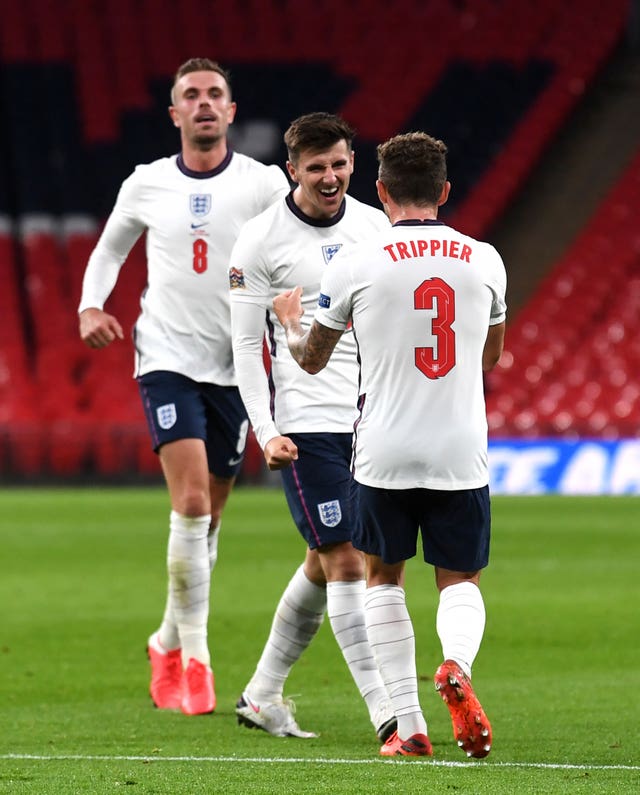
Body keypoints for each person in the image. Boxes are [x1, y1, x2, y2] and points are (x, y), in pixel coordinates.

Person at [272, 131, 506, 758]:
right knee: (461, 579)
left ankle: (408, 728)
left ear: (379, 191)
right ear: (445, 191)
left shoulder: (357, 261)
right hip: (459, 446)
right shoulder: (483, 258)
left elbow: (314, 360)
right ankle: (456, 664)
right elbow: (490, 355)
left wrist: (293, 325)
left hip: (383, 448)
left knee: (383, 579)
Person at [78, 58, 289, 715]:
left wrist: (290, 297)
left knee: (209, 519)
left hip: (238, 362)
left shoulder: (263, 183)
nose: (203, 104)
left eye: (214, 95)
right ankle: (195, 660)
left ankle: (165, 637)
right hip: (166, 352)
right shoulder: (146, 183)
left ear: (230, 111)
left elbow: (292, 248)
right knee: (192, 499)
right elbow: (111, 250)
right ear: (174, 114)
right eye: (190, 96)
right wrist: (91, 304)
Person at [229, 112, 396, 742]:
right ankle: (389, 715)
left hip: (372, 417)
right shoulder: (260, 240)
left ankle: (261, 694)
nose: (330, 178)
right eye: (317, 167)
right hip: (306, 426)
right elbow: (247, 349)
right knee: (348, 561)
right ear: (292, 170)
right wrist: (265, 430)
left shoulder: (374, 227)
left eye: (341, 164)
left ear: (354, 163)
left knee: (326, 563)